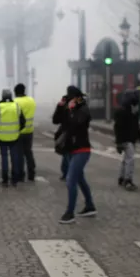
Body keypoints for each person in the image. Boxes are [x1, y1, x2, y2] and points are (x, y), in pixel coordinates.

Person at [59, 86, 97, 224]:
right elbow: (57, 120)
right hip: (70, 150)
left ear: (77, 97)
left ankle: (70, 213)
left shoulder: (83, 110)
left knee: (71, 180)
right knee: (80, 179)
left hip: (82, 150)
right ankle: (90, 206)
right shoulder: (71, 109)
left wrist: (70, 110)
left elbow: (76, 124)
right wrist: (61, 107)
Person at [113, 90, 140, 191]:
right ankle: (127, 180)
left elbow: (136, 128)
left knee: (126, 160)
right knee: (130, 160)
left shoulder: (127, 112)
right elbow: (119, 128)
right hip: (127, 140)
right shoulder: (126, 113)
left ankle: (122, 177)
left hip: (126, 140)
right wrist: (119, 143)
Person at [0, 89, 26, 187]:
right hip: (14, 136)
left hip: (1, 137)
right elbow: (23, 121)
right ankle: (15, 179)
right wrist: (17, 129)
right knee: (14, 157)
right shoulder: (16, 106)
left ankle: (5, 179)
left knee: (4, 157)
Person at [13, 83, 36, 181]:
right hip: (29, 130)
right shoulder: (31, 101)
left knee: (19, 154)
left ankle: (20, 175)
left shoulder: (15, 102)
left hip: (18, 131)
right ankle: (31, 173)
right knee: (28, 153)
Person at [52, 95, 69, 180]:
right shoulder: (76, 103)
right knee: (67, 154)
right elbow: (55, 120)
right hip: (67, 133)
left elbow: (55, 120)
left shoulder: (73, 105)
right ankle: (67, 173)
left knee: (67, 154)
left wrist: (59, 107)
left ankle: (67, 173)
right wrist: (59, 107)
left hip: (68, 133)